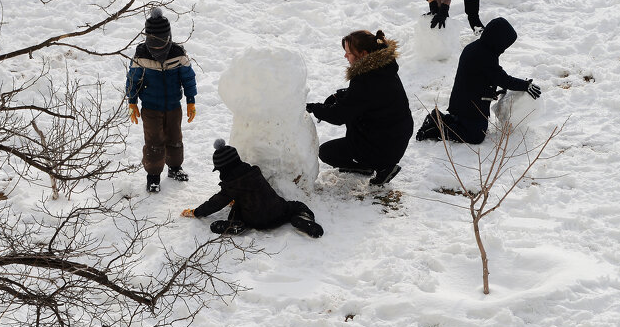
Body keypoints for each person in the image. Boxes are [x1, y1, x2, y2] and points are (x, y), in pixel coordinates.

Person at [306, 30, 413, 186]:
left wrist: (314, 108)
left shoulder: (365, 80)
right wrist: (339, 96)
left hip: (382, 144)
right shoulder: (383, 68)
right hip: (395, 136)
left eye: (348, 53)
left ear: (363, 54)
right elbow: (368, 97)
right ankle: (373, 163)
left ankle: (382, 166)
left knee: (327, 153)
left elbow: (339, 116)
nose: (345, 56)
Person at [415, 17, 541, 145]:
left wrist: (491, 90)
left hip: (464, 100)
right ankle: (436, 130)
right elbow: (502, 78)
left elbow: (480, 76)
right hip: (470, 106)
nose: (504, 49)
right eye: (504, 45)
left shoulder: (477, 48)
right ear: (497, 40)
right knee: (475, 136)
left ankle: (437, 119)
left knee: (465, 124)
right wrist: (525, 85)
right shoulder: (485, 56)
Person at [182, 140, 323, 238]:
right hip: (279, 212)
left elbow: (215, 203)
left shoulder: (230, 186)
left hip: (254, 221)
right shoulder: (255, 171)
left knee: (238, 207)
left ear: (223, 169)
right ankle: (302, 217)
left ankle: (235, 224)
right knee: (297, 205)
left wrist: (197, 212)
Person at [126, 7, 197, 193]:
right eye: (153, 41)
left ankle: (174, 168)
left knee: (175, 138)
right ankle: (153, 176)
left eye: (161, 41)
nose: (157, 46)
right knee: (154, 142)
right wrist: (132, 101)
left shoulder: (178, 53)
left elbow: (188, 78)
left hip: (174, 106)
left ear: (169, 37)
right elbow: (133, 78)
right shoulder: (141, 54)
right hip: (150, 108)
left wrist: (191, 100)